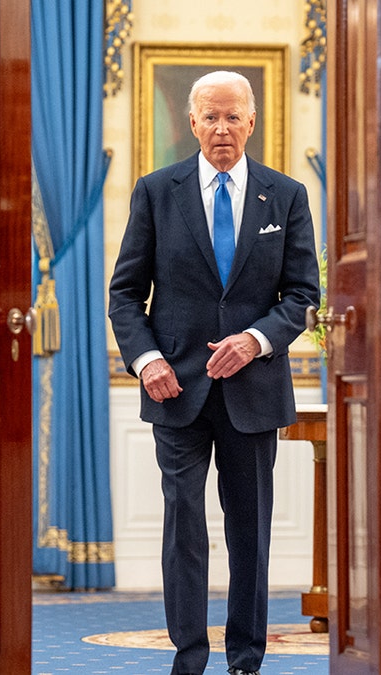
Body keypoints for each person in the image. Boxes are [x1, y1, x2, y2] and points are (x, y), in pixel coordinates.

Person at [108, 70, 320, 675]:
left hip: (253, 390)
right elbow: (126, 294)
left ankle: (246, 659)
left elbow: (303, 295)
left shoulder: (286, 195)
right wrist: (147, 362)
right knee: (184, 526)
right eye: (210, 117)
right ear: (192, 123)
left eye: (233, 117)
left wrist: (254, 342)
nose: (222, 128)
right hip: (174, 388)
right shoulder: (155, 192)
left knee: (249, 530)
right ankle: (189, 656)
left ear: (251, 122)